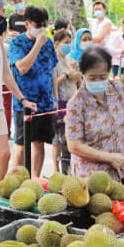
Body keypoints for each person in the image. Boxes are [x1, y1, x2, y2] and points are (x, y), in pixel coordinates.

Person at [65, 46, 124, 180]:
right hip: (91, 177)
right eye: (92, 78)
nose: (98, 81)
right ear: (83, 74)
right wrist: (109, 158)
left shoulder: (117, 88)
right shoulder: (76, 104)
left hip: (120, 171)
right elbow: (74, 146)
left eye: (102, 77)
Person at [0, 0, 37, 180]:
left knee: (4, 154)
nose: (6, 17)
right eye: (4, 13)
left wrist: (22, 98)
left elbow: (7, 75)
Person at [8, 6, 58, 179]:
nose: (42, 28)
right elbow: (22, 67)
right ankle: (17, 178)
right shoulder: (17, 43)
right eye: (39, 24)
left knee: (39, 143)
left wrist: (55, 96)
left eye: (45, 24)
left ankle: (35, 178)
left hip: (45, 101)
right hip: (26, 102)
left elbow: (53, 70)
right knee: (22, 143)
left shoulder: (49, 43)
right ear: (28, 24)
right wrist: (37, 44)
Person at [53, 29, 80, 173]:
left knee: (71, 137)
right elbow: (53, 84)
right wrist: (65, 75)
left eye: (70, 43)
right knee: (59, 140)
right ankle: (57, 169)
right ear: (57, 43)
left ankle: (71, 169)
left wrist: (77, 74)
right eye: (66, 43)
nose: (68, 46)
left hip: (72, 102)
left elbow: (78, 84)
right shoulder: (53, 62)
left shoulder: (70, 60)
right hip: (60, 102)